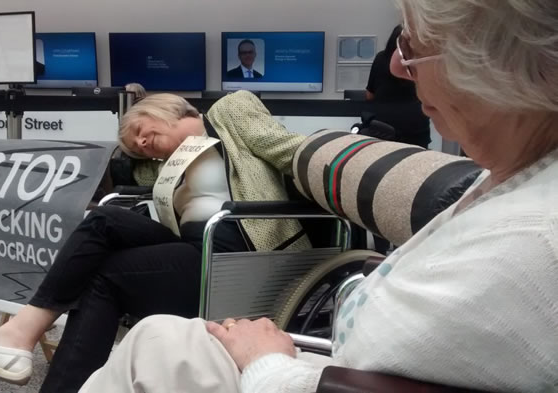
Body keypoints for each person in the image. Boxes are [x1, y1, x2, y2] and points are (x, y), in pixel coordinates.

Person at [78, 1, 558, 392]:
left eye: (410, 46)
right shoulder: (511, 184)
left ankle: (26, 335)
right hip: (288, 330)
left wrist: (266, 363)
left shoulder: (527, 245)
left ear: (498, 57)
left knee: (148, 333)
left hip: (249, 265)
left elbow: (284, 148)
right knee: (137, 303)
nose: (395, 66)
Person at [0, 90, 312, 391]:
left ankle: (19, 338)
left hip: (245, 248)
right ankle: (18, 337)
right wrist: (135, 154)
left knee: (105, 275)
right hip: (193, 246)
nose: (143, 142)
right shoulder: (162, 163)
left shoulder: (231, 112)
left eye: (143, 130)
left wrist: (347, 169)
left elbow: (287, 148)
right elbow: (125, 168)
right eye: (136, 143)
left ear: (167, 108)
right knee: (102, 221)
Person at [365, 25, 430, 148]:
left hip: (382, 127)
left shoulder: (380, 58)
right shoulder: (420, 63)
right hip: (416, 127)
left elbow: (369, 95)